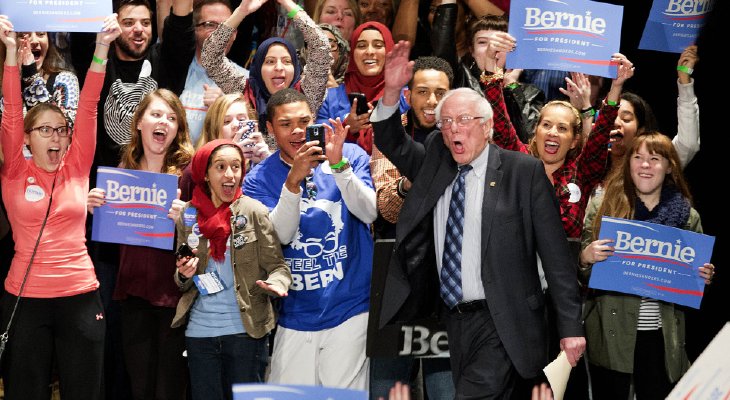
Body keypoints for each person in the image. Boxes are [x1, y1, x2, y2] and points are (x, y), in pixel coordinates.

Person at [371, 41, 585, 398]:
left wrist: (571, 327)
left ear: (487, 127)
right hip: (451, 320)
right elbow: (393, 141)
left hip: (504, 318)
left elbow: (556, 257)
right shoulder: (436, 161)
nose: (453, 129)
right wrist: (392, 92)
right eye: (446, 122)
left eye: (464, 121)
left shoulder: (523, 173)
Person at [0, 14, 119, 400]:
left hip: (80, 296)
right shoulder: (15, 170)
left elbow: (89, 104)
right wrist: (10, 53)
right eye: (44, 129)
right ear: (27, 138)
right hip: (25, 298)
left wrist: (102, 47)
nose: (55, 137)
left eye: (61, 130)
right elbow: (12, 110)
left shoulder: (77, 164)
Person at [243, 89, 376, 389]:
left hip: (350, 306)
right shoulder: (258, 179)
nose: (297, 131)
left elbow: (369, 213)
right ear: (270, 128)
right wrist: (293, 181)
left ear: (315, 120)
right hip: (295, 311)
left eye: (304, 121)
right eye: (286, 124)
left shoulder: (349, 154)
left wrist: (339, 167)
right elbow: (281, 235)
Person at [578, 132, 715, 400]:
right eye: (638, 157)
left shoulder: (687, 217)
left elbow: (694, 286)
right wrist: (585, 258)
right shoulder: (604, 205)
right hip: (612, 336)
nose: (645, 165)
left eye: (654, 159)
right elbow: (583, 275)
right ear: (628, 163)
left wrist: (703, 277)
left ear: (669, 167)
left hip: (662, 339)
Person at [87, 88, 194, 400]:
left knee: (169, 389)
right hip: (132, 294)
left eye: (171, 118)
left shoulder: (188, 173)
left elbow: (205, 229)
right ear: (139, 123)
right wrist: (94, 206)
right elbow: (110, 229)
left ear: (178, 128)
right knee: (140, 387)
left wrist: (186, 218)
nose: (163, 122)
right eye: (156, 114)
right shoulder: (122, 172)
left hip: (173, 296)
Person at [172, 139, 292, 400]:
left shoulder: (254, 212)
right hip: (200, 334)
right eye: (221, 167)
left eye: (236, 167)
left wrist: (277, 283)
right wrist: (184, 273)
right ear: (205, 173)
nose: (230, 174)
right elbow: (182, 280)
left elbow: (278, 267)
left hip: (246, 332)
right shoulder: (188, 215)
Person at [368, 56, 455, 400]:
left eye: (440, 93)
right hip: (397, 278)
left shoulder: (462, 137)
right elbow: (388, 208)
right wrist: (409, 185)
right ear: (408, 94)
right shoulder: (391, 134)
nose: (431, 101)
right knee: (387, 390)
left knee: (446, 391)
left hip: (447, 283)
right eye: (422, 91)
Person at [201, 0, 330, 138]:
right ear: (258, 69)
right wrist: (241, 12)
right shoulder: (245, 92)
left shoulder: (306, 93)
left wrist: (288, 4)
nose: (279, 67)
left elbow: (321, 47)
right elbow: (210, 57)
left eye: (287, 61)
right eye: (270, 61)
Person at [180, 0, 249, 144]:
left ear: (234, 34)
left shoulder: (246, 79)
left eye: (227, 26)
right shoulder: (176, 69)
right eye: (210, 25)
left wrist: (223, 107)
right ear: (195, 30)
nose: (220, 33)